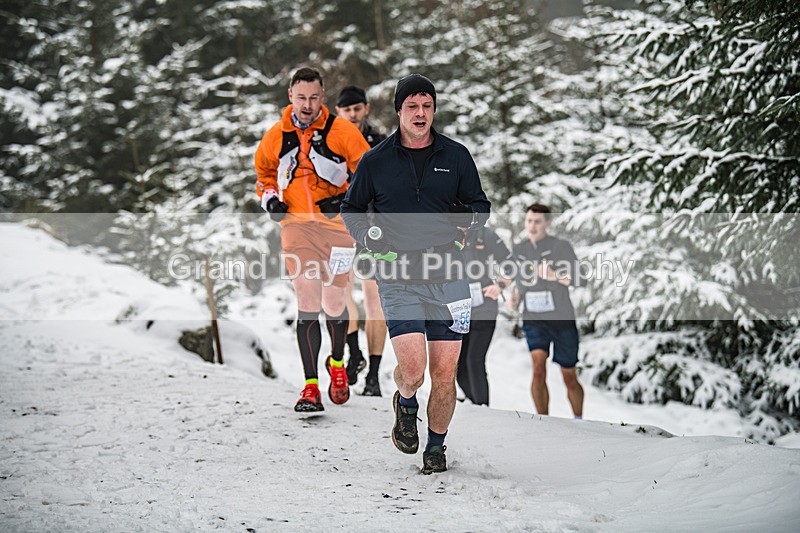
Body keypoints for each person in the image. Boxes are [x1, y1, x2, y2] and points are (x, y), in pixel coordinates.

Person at [341, 74, 490, 474]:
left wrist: (469, 218)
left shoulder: (457, 156)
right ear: (399, 111)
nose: (420, 113)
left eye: (427, 106)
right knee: (414, 370)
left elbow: (482, 207)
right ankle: (405, 402)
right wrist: (367, 234)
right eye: (412, 106)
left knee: (445, 374)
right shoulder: (376, 161)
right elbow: (351, 208)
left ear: (434, 109)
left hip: (449, 275)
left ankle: (436, 447)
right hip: (398, 274)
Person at [254, 67, 371, 413]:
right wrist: (270, 200)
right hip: (296, 226)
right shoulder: (276, 135)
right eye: (301, 98)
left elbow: (368, 171)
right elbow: (263, 175)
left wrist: (347, 199)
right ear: (290, 96)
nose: (307, 105)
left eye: (314, 98)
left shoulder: (341, 131)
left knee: (334, 304)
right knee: (307, 296)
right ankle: (309, 387)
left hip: (338, 229)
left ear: (323, 97)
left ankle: (336, 363)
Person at [508, 203, 585, 419]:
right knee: (538, 368)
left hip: (561, 320)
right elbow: (519, 281)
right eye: (529, 221)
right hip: (534, 320)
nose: (532, 226)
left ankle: (579, 419)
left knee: (568, 375)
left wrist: (555, 276)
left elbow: (581, 279)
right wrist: (515, 297)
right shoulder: (520, 249)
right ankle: (544, 421)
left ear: (547, 223)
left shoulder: (561, 247)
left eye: (537, 221)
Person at [334, 85, 388, 395]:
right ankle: (354, 354)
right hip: (339, 229)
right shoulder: (329, 141)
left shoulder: (380, 143)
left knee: (374, 300)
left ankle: (374, 375)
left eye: (357, 109)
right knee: (341, 295)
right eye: (346, 110)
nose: (352, 114)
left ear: (365, 109)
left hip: (373, 229)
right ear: (338, 112)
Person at [457, 226, 513, 406]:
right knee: (459, 367)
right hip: (459, 309)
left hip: (484, 309)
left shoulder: (485, 235)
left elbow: (512, 265)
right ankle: (474, 403)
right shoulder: (445, 232)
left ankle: (483, 408)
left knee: (474, 361)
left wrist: (500, 286)